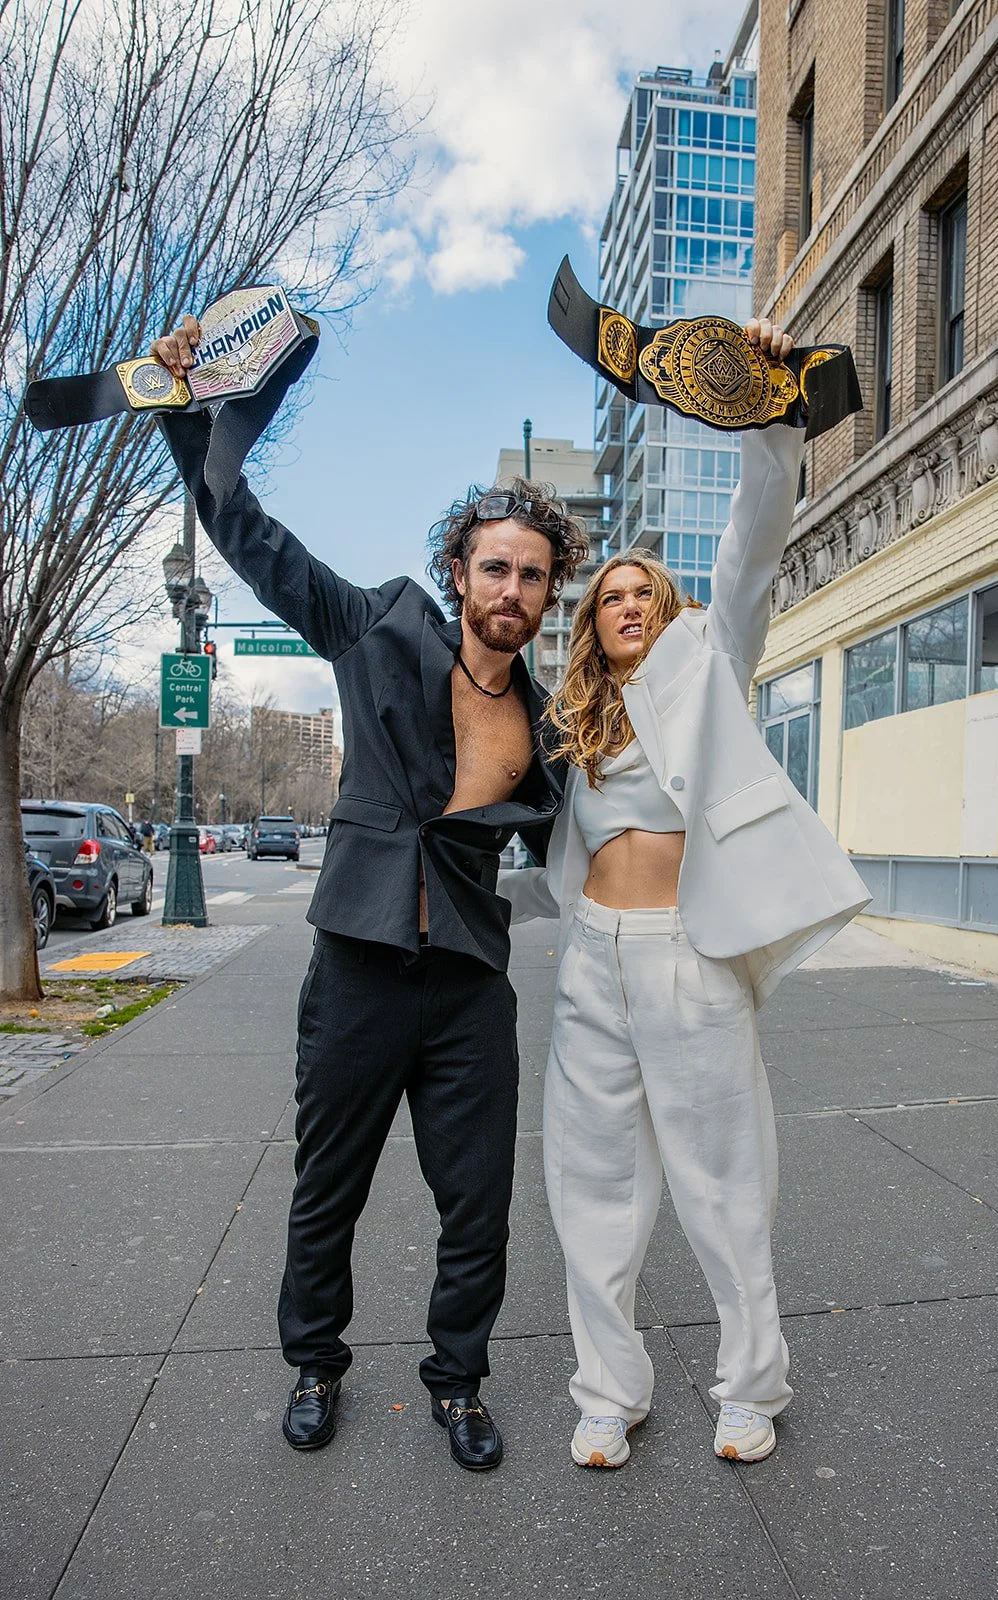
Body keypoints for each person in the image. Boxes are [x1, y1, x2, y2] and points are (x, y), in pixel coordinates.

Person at [150, 315, 588, 1470]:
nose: (509, 585)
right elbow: (248, 533)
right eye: (492, 565)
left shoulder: (548, 728)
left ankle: (457, 1381)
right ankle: (316, 1363)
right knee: (325, 1186)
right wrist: (182, 408)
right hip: (354, 962)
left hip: (466, 989)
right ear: (458, 570)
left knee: (477, 1202)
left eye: (531, 574)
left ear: (549, 597)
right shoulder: (378, 625)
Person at [498, 319, 870, 1470]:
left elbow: (754, 544)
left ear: (659, 604)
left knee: (723, 1182)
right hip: (593, 962)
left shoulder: (709, 659)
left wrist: (766, 410)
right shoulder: (578, 721)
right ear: (588, 622)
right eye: (603, 595)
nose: (619, 603)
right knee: (590, 1184)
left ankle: (747, 1386)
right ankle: (607, 1391)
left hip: (688, 953)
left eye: (635, 590)